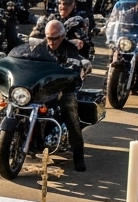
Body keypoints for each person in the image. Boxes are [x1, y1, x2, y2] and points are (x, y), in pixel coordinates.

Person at [17, 20, 88, 171]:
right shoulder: (40, 47)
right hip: (44, 87)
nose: (51, 41)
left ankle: (78, 156)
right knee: (20, 102)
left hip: (65, 87)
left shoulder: (70, 49)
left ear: (62, 36)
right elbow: (28, 59)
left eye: (54, 38)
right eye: (48, 37)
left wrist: (70, 71)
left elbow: (74, 69)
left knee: (70, 109)